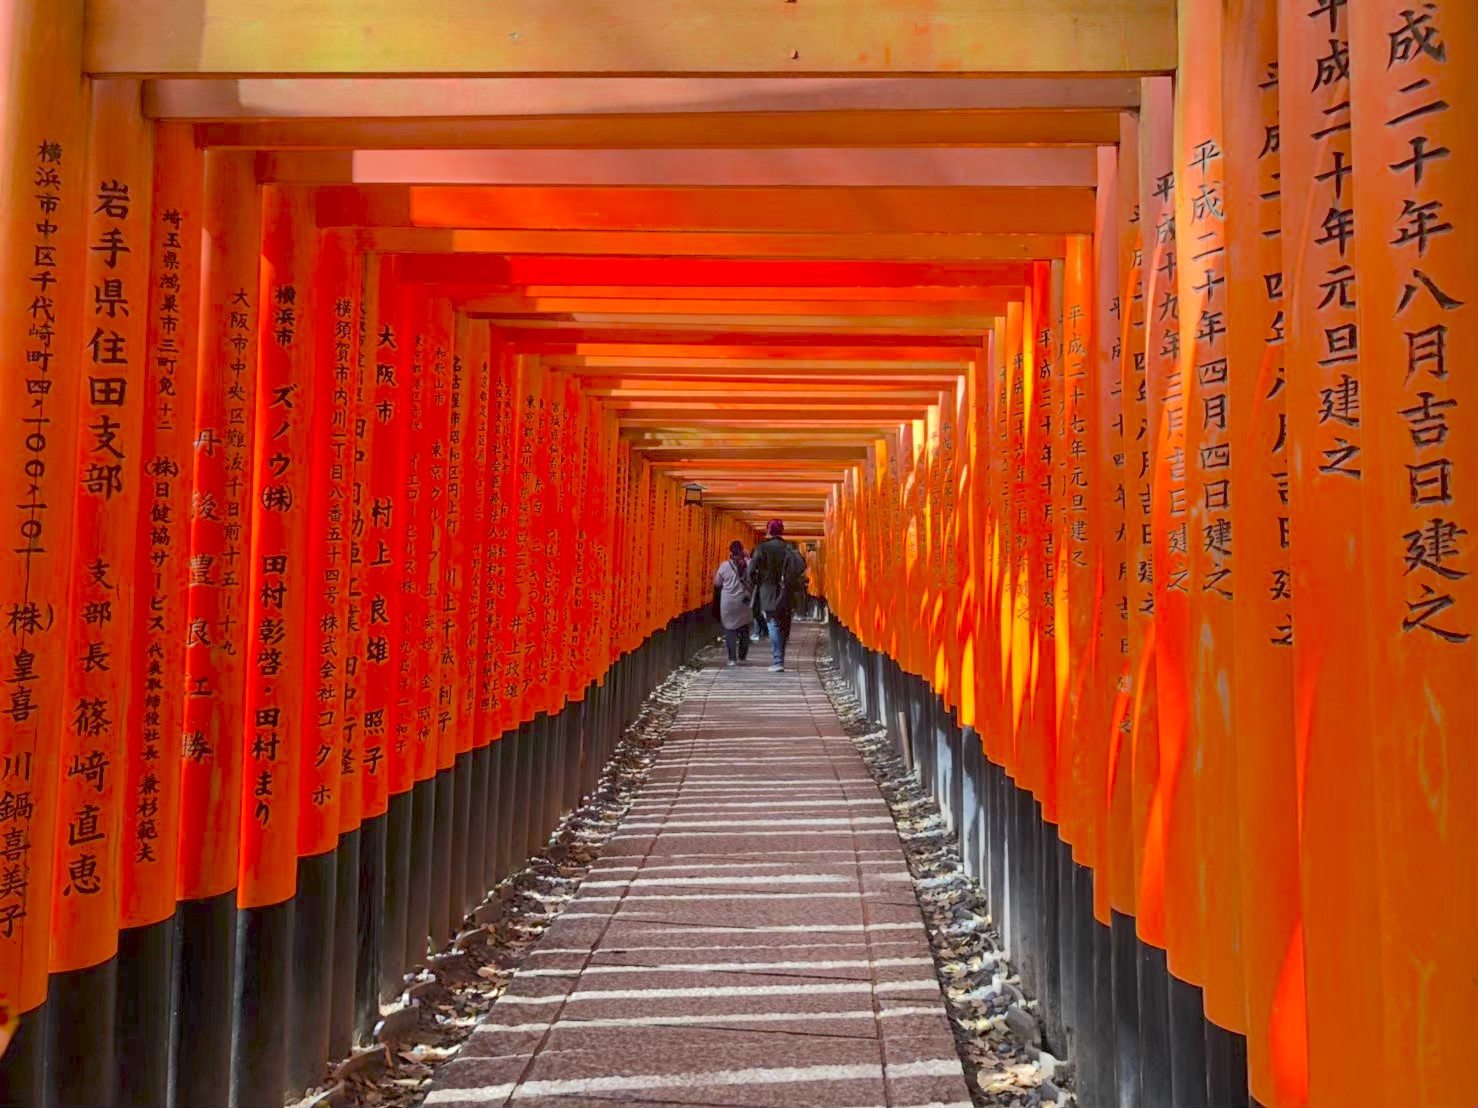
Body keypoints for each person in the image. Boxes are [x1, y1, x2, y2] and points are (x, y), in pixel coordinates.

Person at [747, 519, 808, 672]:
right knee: (784, 623)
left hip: (767, 591)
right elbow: (801, 568)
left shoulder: (761, 548)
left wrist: (759, 582)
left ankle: (778, 661)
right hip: (786, 591)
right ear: (782, 531)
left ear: (768, 531)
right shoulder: (789, 549)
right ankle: (780, 658)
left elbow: (750, 572)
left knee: (773, 623)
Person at [713, 540, 754, 666]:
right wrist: (748, 557)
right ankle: (742, 656)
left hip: (728, 602)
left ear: (730, 551)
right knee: (744, 627)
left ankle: (732, 659)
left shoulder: (724, 566)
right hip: (744, 601)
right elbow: (755, 576)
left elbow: (717, 583)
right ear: (742, 551)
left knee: (730, 628)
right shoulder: (748, 564)